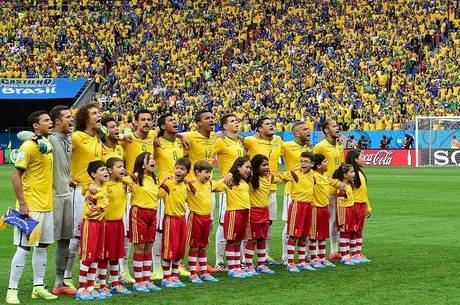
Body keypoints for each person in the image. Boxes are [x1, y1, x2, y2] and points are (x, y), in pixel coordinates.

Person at [6, 111, 57, 304]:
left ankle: (38, 287)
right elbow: (16, 175)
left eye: (50, 120)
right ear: (36, 126)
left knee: (43, 246)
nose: (50, 122)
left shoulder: (47, 143)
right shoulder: (28, 146)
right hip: (31, 206)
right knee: (24, 247)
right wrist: (23, 204)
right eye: (46, 120)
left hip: (47, 205)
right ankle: (12, 290)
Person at [65, 102, 102, 287]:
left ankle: (89, 276)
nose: (98, 115)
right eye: (94, 113)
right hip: (79, 193)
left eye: (99, 112)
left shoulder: (96, 137)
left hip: (95, 192)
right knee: (77, 235)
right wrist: (66, 176)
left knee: (93, 235)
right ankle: (66, 276)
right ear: (85, 118)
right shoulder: (77, 137)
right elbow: (59, 151)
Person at [244, 117, 283, 264]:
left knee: (268, 223)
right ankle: (244, 259)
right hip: (254, 187)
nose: (271, 125)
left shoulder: (278, 140)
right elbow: (238, 140)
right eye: (267, 124)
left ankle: (264, 256)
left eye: (272, 123)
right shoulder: (251, 140)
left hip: (271, 188)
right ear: (260, 129)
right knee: (249, 226)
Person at [47, 106, 77, 296]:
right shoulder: (50, 139)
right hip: (52, 197)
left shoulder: (69, 138)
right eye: (67, 117)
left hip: (66, 195)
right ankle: (37, 285)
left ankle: (60, 282)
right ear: (58, 122)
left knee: (65, 240)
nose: (71, 119)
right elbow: (25, 136)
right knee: (42, 243)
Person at [151, 113, 185, 280]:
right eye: (171, 120)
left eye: (175, 119)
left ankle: (176, 265)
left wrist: (180, 135)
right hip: (164, 189)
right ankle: (157, 267)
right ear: (163, 126)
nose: (175, 122)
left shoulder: (180, 142)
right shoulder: (156, 143)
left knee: (178, 229)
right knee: (160, 229)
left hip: (179, 189)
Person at [214, 114, 246, 270]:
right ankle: (219, 260)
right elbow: (207, 151)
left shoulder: (239, 142)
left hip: (241, 187)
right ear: (225, 126)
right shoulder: (220, 142)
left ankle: (237, 260)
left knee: (240, 225)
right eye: (232, 121)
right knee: (223, 223)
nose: (236, 122)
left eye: (237, 120)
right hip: (228, 187)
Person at [186, 160, 226, 284]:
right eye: (206, 172)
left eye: (210, 172)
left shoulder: (209, 184)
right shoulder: (191, 185)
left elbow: (219, 184)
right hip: (195, 218)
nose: (209, 175)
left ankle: (203, 272)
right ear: (197, 172)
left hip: (206, 218)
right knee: (194, 246)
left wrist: (227, 178)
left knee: (203, 245)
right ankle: (193, 273)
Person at [97, 157, 132, 296]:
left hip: (118, 223)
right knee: (104, 255)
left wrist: (127, 180)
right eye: (119, 167)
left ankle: (114, 283)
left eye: (123, 166)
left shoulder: (124, 183)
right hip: (106, 223)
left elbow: (131, 180)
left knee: (115, 255)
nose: (122, 169)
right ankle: (102, 284)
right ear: (110, 170)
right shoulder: (105, 185)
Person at [276, 152, 317, 273]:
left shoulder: (313, 175)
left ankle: (301, 262)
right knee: (293, 235)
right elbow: (280, 177)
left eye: (306, 161)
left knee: (304, 236)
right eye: (301, 161)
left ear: (312, 164)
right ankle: (290, 262)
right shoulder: (294, 173)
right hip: (297, 206)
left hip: (308, 206)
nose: (303, 164)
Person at [129, 152, 162, 293]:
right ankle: (138, 281)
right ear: (143, 163)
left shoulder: (155, 179)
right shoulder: (135, 177)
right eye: (150, 159)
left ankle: (146, 280)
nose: (153, 161)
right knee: (140, 248)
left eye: (154, 159)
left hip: (153, 214)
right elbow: (121, 179)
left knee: (149, 247)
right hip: (139, 213)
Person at [76, 160, 109, 301]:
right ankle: (81, 288)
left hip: (101, 223)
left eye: (106, 169)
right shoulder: (91, 190)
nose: (106, 172)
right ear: (94, 174)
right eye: (102, 169)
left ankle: (90, 287)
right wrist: (100, 207)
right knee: (87, 256)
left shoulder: (104, 186)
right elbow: (89, 211)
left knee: (95, 256)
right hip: (91, 224)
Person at [280, 122, 311, 265]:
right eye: (305, 129)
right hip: (292, 191)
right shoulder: (286, 146)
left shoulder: (309, 148)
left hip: (308, 192)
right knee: (290, 225)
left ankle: (304, 256)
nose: (309, 131)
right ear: (297, 133)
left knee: (305, 226)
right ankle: (286, 256)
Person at [313, 120, 344, 260]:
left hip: (338, 187)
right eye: (334, 126)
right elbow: (314, 166)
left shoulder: (339, 146)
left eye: (337, 126)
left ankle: (334, 250)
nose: (337, 128)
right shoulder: (320, 147)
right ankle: (316, 252)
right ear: (326, 130)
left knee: (336, 220)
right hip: (325, 188)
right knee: (326, 219)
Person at [160, 158, 191, 288]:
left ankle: (174, 276)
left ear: (187, 172)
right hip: (170, 219)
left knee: (178, 250)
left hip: (181, 219)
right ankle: (166, 277)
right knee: (169, 250)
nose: (178, 171)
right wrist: (163, 182)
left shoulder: (186, 185)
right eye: (177, 168)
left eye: (182, 169)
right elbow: (157, 194)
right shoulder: (168, 183)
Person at [221, 157, 252, 278]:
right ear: (238, 167)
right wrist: (228, 175)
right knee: (231, 240)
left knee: (238, 241)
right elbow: (215, 185)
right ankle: (232, 268)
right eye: (247, 167)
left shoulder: (244, 181)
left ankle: (237, 266)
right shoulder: (230, 180)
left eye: (250, 168)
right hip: (234, 213)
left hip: (244, 213)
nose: (249, 170)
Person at [245, 154, 276, 275]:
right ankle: (248, 265)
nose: (267, 167)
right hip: (254, 212)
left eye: (267, 164)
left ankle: (261, 264)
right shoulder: (251, 179)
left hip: (265, 212)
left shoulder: (267, 178)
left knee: (262, 239)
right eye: (264, 165)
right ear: (256, 167)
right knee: (252, 240)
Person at [309, 154, 336, 269]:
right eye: (325, 161)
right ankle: (313, 258)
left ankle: (322, 258)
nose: (327, 163)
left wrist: (340, 184)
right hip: (315, 208)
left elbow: (332, 182)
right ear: (319, 165)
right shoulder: (313, 176)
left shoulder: (325, 175)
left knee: (323, 235)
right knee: (313, 236)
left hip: (325, 208)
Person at [346, 150, 372, 264]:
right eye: (362, 156)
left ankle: (357, 253)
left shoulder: (359, 173)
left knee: (359, 230)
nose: (364, 158)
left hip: (361, 205)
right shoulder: (353, 174)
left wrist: (367, 206)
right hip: (354, 205)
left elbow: (364, 192)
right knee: (353, 230)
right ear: (356, 159)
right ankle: (352, 253)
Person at [332, 164, 357, 266]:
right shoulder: (342, 188)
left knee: (350, 233)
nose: (354, 174)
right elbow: (340, 205)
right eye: (352, 172)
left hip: (350, 211)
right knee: (344, 234)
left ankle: (348, 255)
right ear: (345, 175)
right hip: (345, 212)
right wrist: (341, 219)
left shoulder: (349, 185)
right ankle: (344, 256)